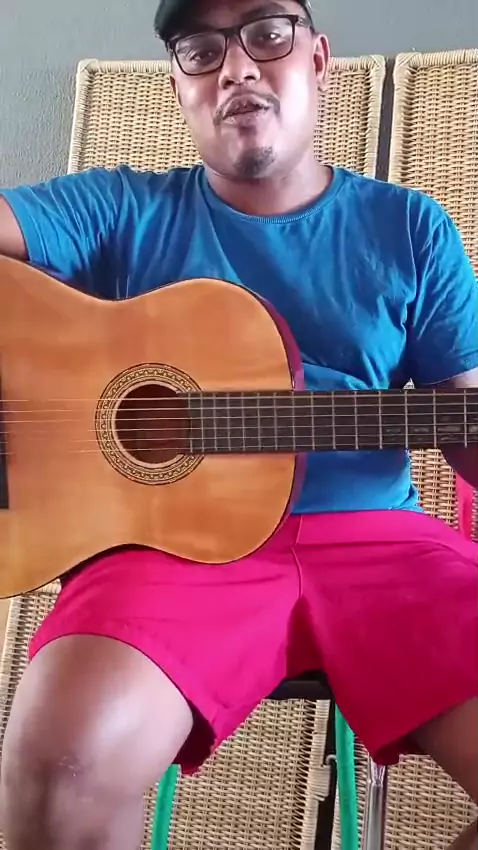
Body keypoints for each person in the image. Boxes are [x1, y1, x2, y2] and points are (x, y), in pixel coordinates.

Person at [0, 0, 477, 848]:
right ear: (178, 85)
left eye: (265, 32)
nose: (237, 66)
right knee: (58, 770)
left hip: (382, 544)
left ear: (318, 59)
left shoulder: (410, 228)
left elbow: (465, 423)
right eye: (201, 48)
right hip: (170, 554)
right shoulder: (120, 209)